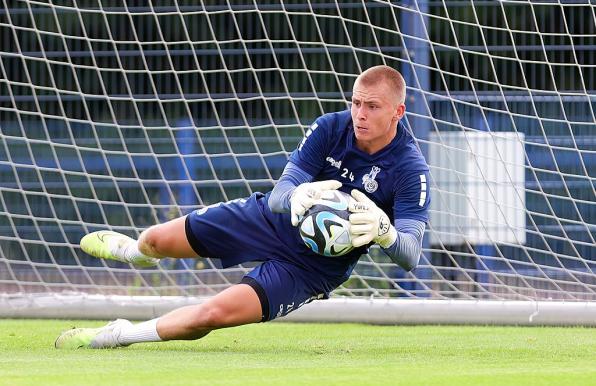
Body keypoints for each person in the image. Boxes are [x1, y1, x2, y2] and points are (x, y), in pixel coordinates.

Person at [55, 65, 430, 349]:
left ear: (397, 112)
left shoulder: (410, 169)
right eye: (355, 102)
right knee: (155, 240)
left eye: (372, 106)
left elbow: (411, 253)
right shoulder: (331, 127)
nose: (359, 114)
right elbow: (284, 188)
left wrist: (386, 232)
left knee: (211, 315)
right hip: (269, 219)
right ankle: (133, 252)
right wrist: (296, 197)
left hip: (312, 267)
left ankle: (117, 335)